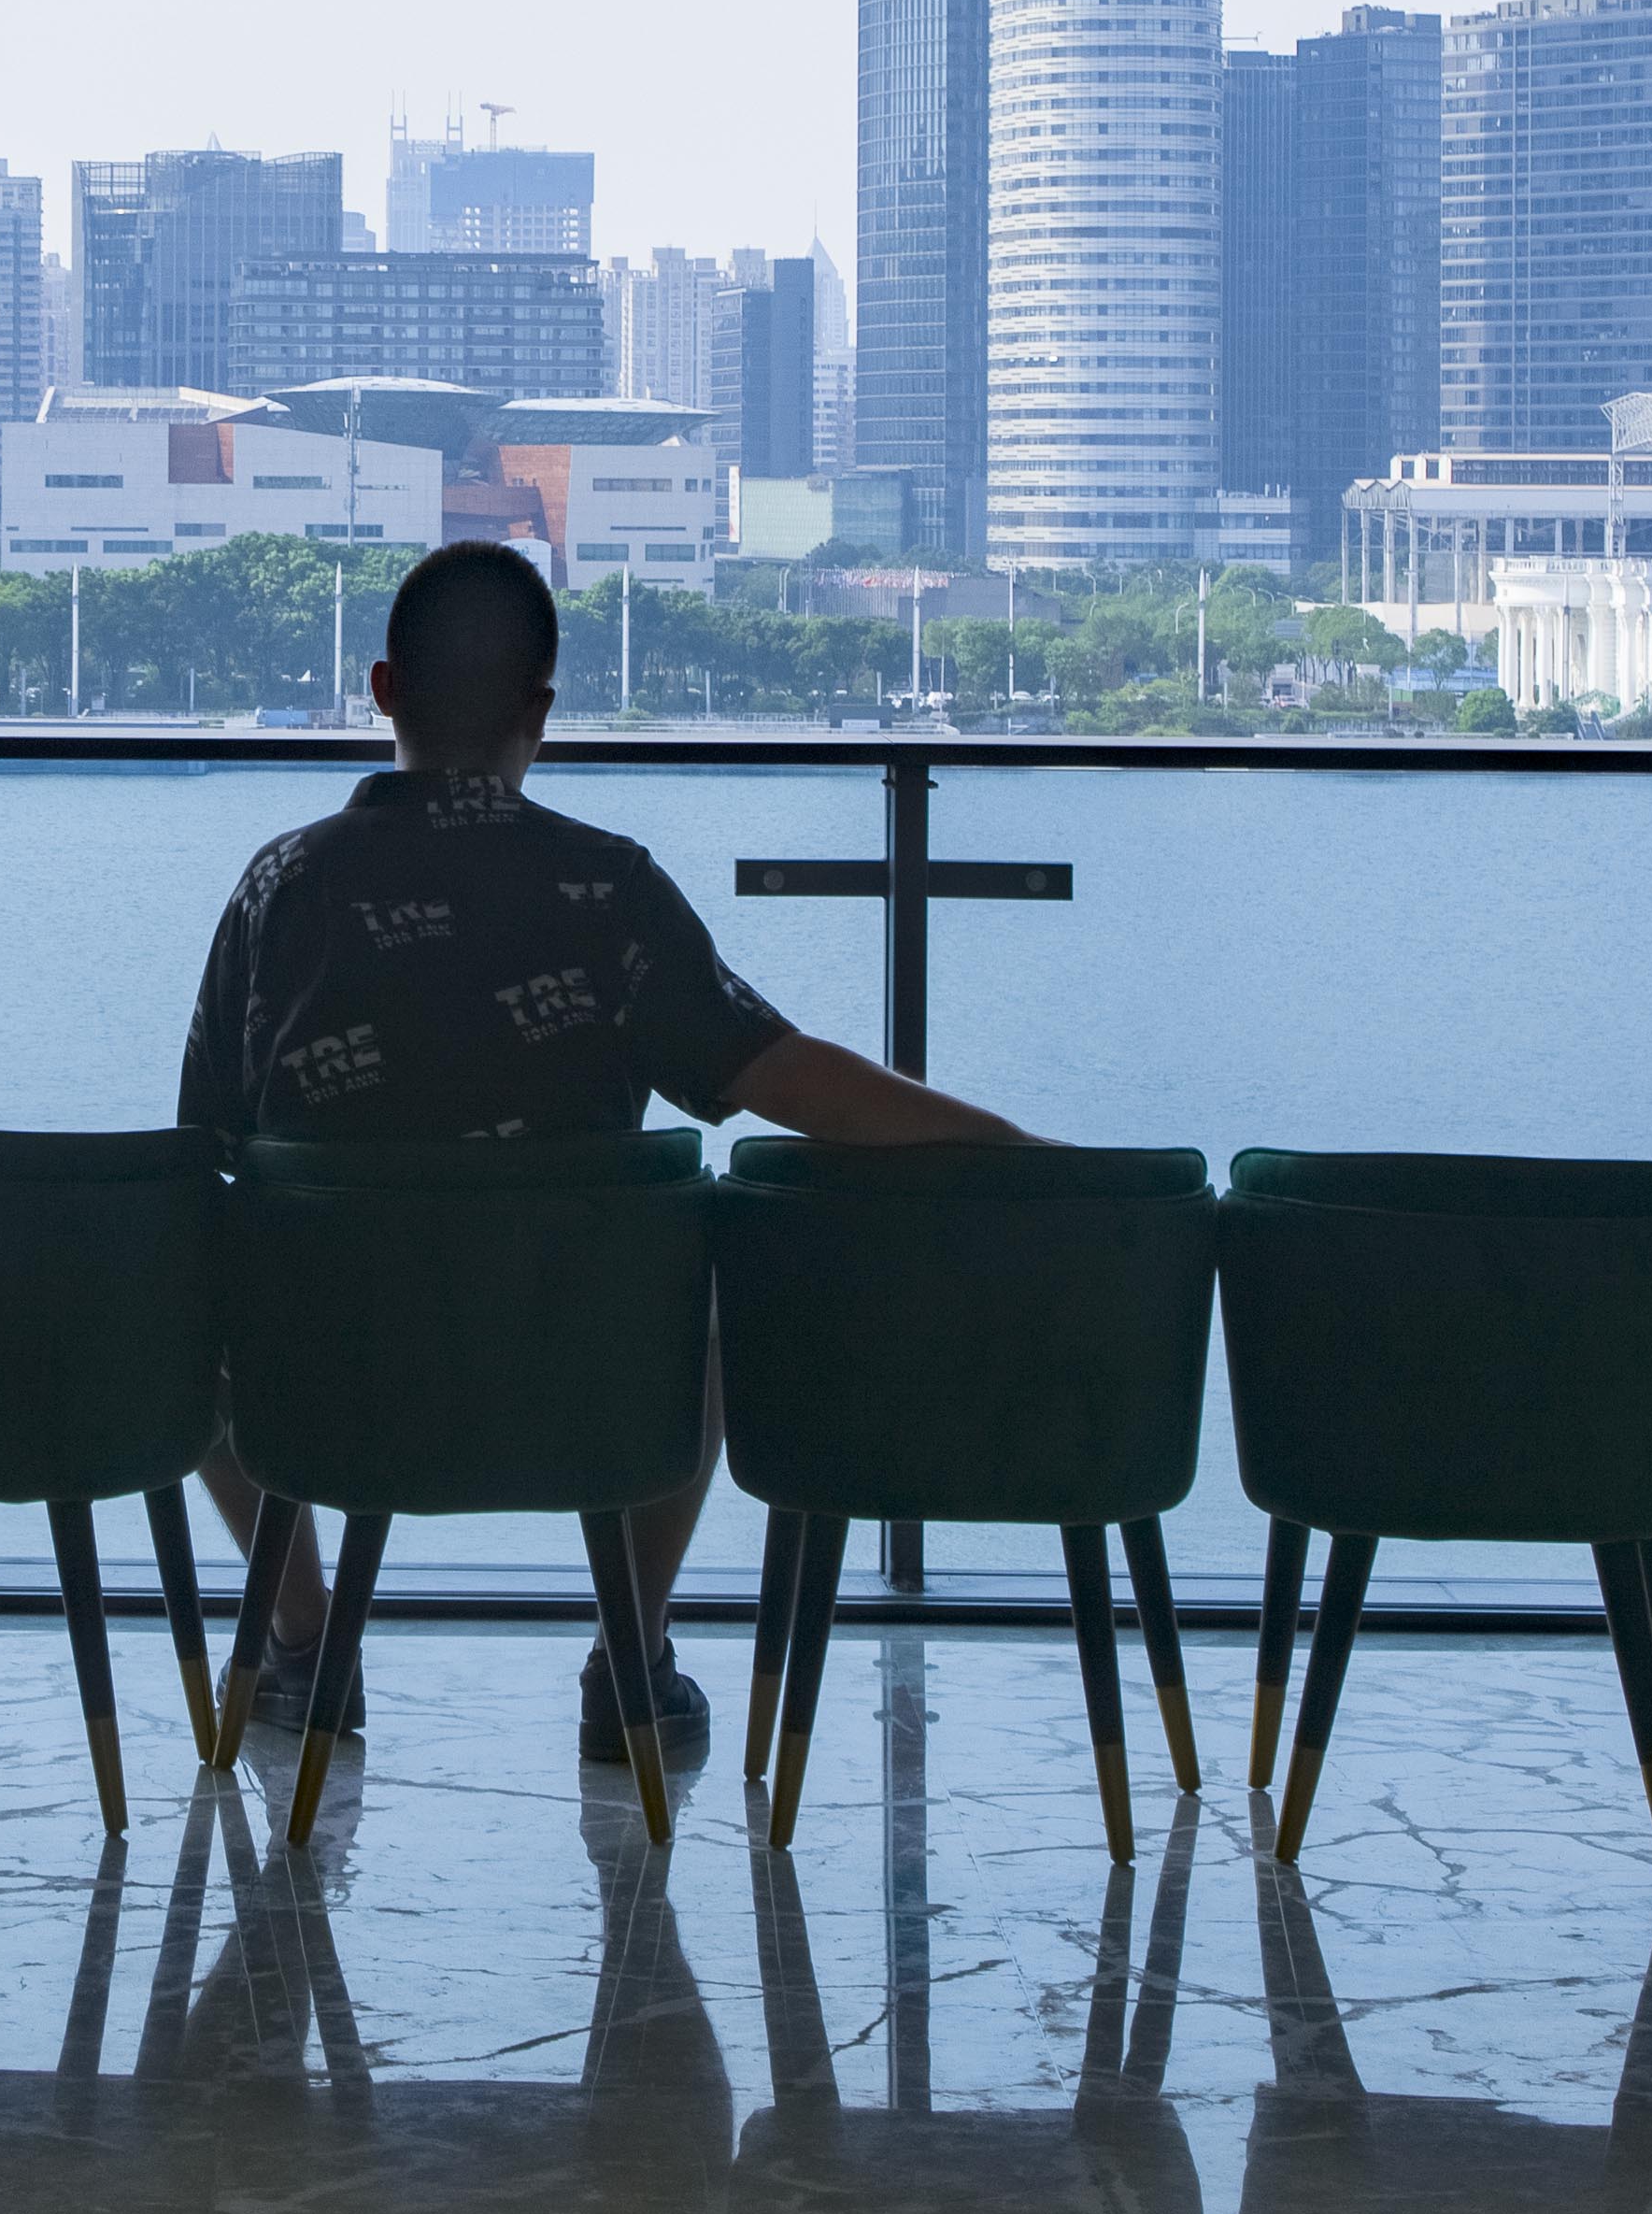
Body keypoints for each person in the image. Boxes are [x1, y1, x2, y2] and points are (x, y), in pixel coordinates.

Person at [178, 536, 1028, 1775]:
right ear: (544, 710)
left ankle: (308, 1645)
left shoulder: (281, 892)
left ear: (383, 692)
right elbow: (788, 1079)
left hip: (331, 1396)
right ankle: (629, 1650)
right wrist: (1007, 1144)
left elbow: (192, 1158)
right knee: (707, 1304)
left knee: (194, 1285)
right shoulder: (610, 893)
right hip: (580, 1396)